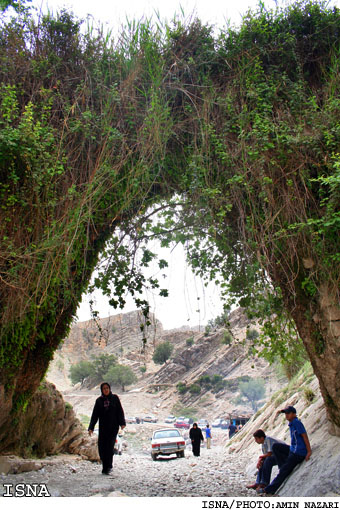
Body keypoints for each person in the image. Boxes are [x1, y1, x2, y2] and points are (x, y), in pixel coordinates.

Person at [259, 406, 312, 495]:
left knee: (284, 471)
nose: (286, 415)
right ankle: (282, 465)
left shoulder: (297, 423)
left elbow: (304, 436)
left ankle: (269, 489)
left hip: (298, 453)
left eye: (288, 413)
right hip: (292, 450)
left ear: (294, 414)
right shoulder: (291, 424)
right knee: (276, 446)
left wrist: (309, 451)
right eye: (285, 414)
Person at [88, 382, 126, 475]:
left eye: (107, 388)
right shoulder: (99, 401)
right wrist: (91, 427)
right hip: (103, 428)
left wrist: (122, 423)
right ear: (101, 390)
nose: (106, 390)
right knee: (102, 447)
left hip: (113, 427)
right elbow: (95, 415)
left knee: (109, 447)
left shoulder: (115, 398)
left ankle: (108, 467)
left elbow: (120, 411)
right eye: (104, 388)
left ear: (109, 389)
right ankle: (105, 465)